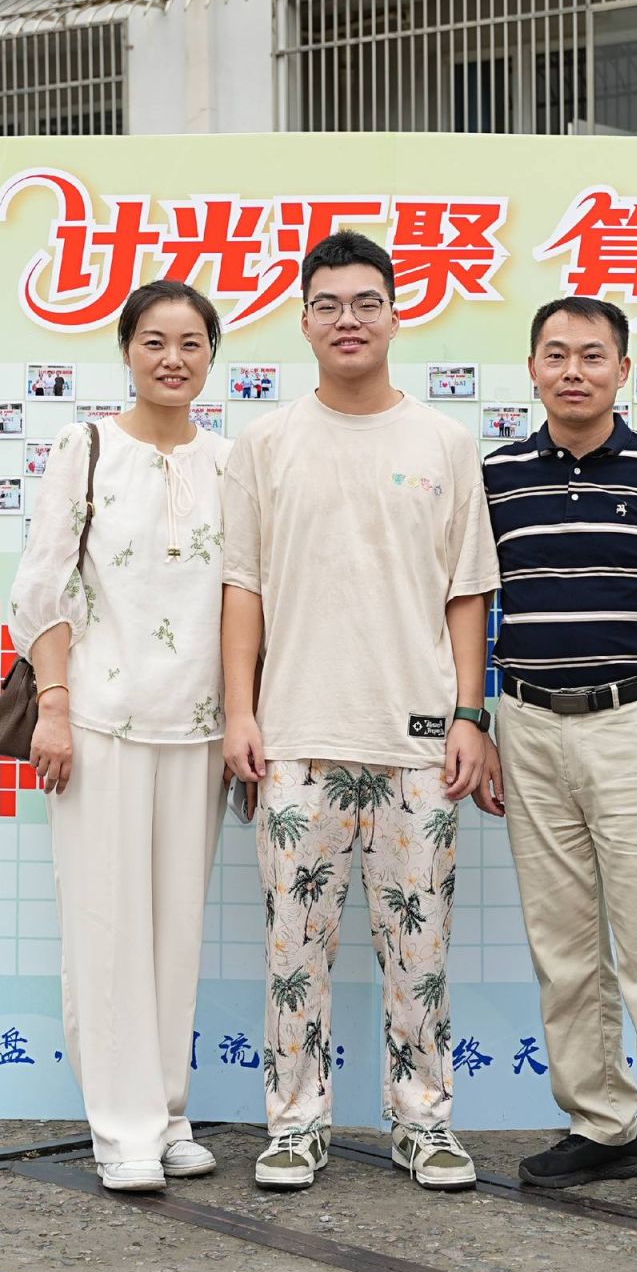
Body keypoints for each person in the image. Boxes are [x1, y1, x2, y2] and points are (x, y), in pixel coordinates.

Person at [222, 230, 500, 1192]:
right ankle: (295, 1124)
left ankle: (424, 1122)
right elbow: (243, 588)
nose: (349, 319)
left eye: (366, 302)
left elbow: (468, 590)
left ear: (395, 314)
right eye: (329, 304)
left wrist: (469, 715)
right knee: (292, 950)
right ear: (303, 321)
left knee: (420, 951)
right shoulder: (265, 444)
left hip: (417, 742)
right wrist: (241, 712)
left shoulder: (445, 443)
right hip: (296, 737)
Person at [483, 296, 637, 1217]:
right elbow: (468, 604)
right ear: (533, 369)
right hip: (528, 724)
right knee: (564, 947)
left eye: (593, 355)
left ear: (624, 371)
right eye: (556, 355)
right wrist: (476, 721)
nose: (573, 371)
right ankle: (601, 1127)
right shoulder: (497, 477)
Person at [8, 279, 232, 1193]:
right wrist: (55, 706)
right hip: (100, 721)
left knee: (176, 931)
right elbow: (41, 586)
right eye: (154, 341)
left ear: (212, 356)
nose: (173, 358)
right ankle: (122, 1130)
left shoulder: (230, 463)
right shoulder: (86, 446)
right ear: (127, 351)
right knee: (107, 929)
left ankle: (169, 1113)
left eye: (190, 342)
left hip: (200, 728)